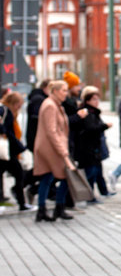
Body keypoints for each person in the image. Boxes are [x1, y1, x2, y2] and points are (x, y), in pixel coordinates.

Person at [33, 80, 75, 222]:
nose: (66, 93)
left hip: (49, 147)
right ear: (55, 91)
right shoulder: (50, 106)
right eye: (64, 90)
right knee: (65, 176)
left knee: (47, 177)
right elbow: (52, 131)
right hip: (51, 148)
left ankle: (43, 209)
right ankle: (58, 207)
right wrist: (63, 151)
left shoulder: (54, 105)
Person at [74, 86, 113, 203]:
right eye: (94, 99)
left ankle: (97, 193)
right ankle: (89, 196)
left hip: (93, 147)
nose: (97, 102)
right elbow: (91, 128)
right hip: (88, 148)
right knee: (90, 172)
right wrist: (104, 126)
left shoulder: (93, 112)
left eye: (98, 99)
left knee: (96, 171)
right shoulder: (87, 113)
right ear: (88, 100)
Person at [0, 92, 35, 211]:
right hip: (7, 151)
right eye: (19, 105)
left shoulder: (4, 110)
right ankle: (22, 204)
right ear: (14, 104)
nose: (19, 108)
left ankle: (20, 203)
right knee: (19, 174)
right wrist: (20, 147)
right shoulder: (6, 111)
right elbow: (8, 131)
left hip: (7, 151)